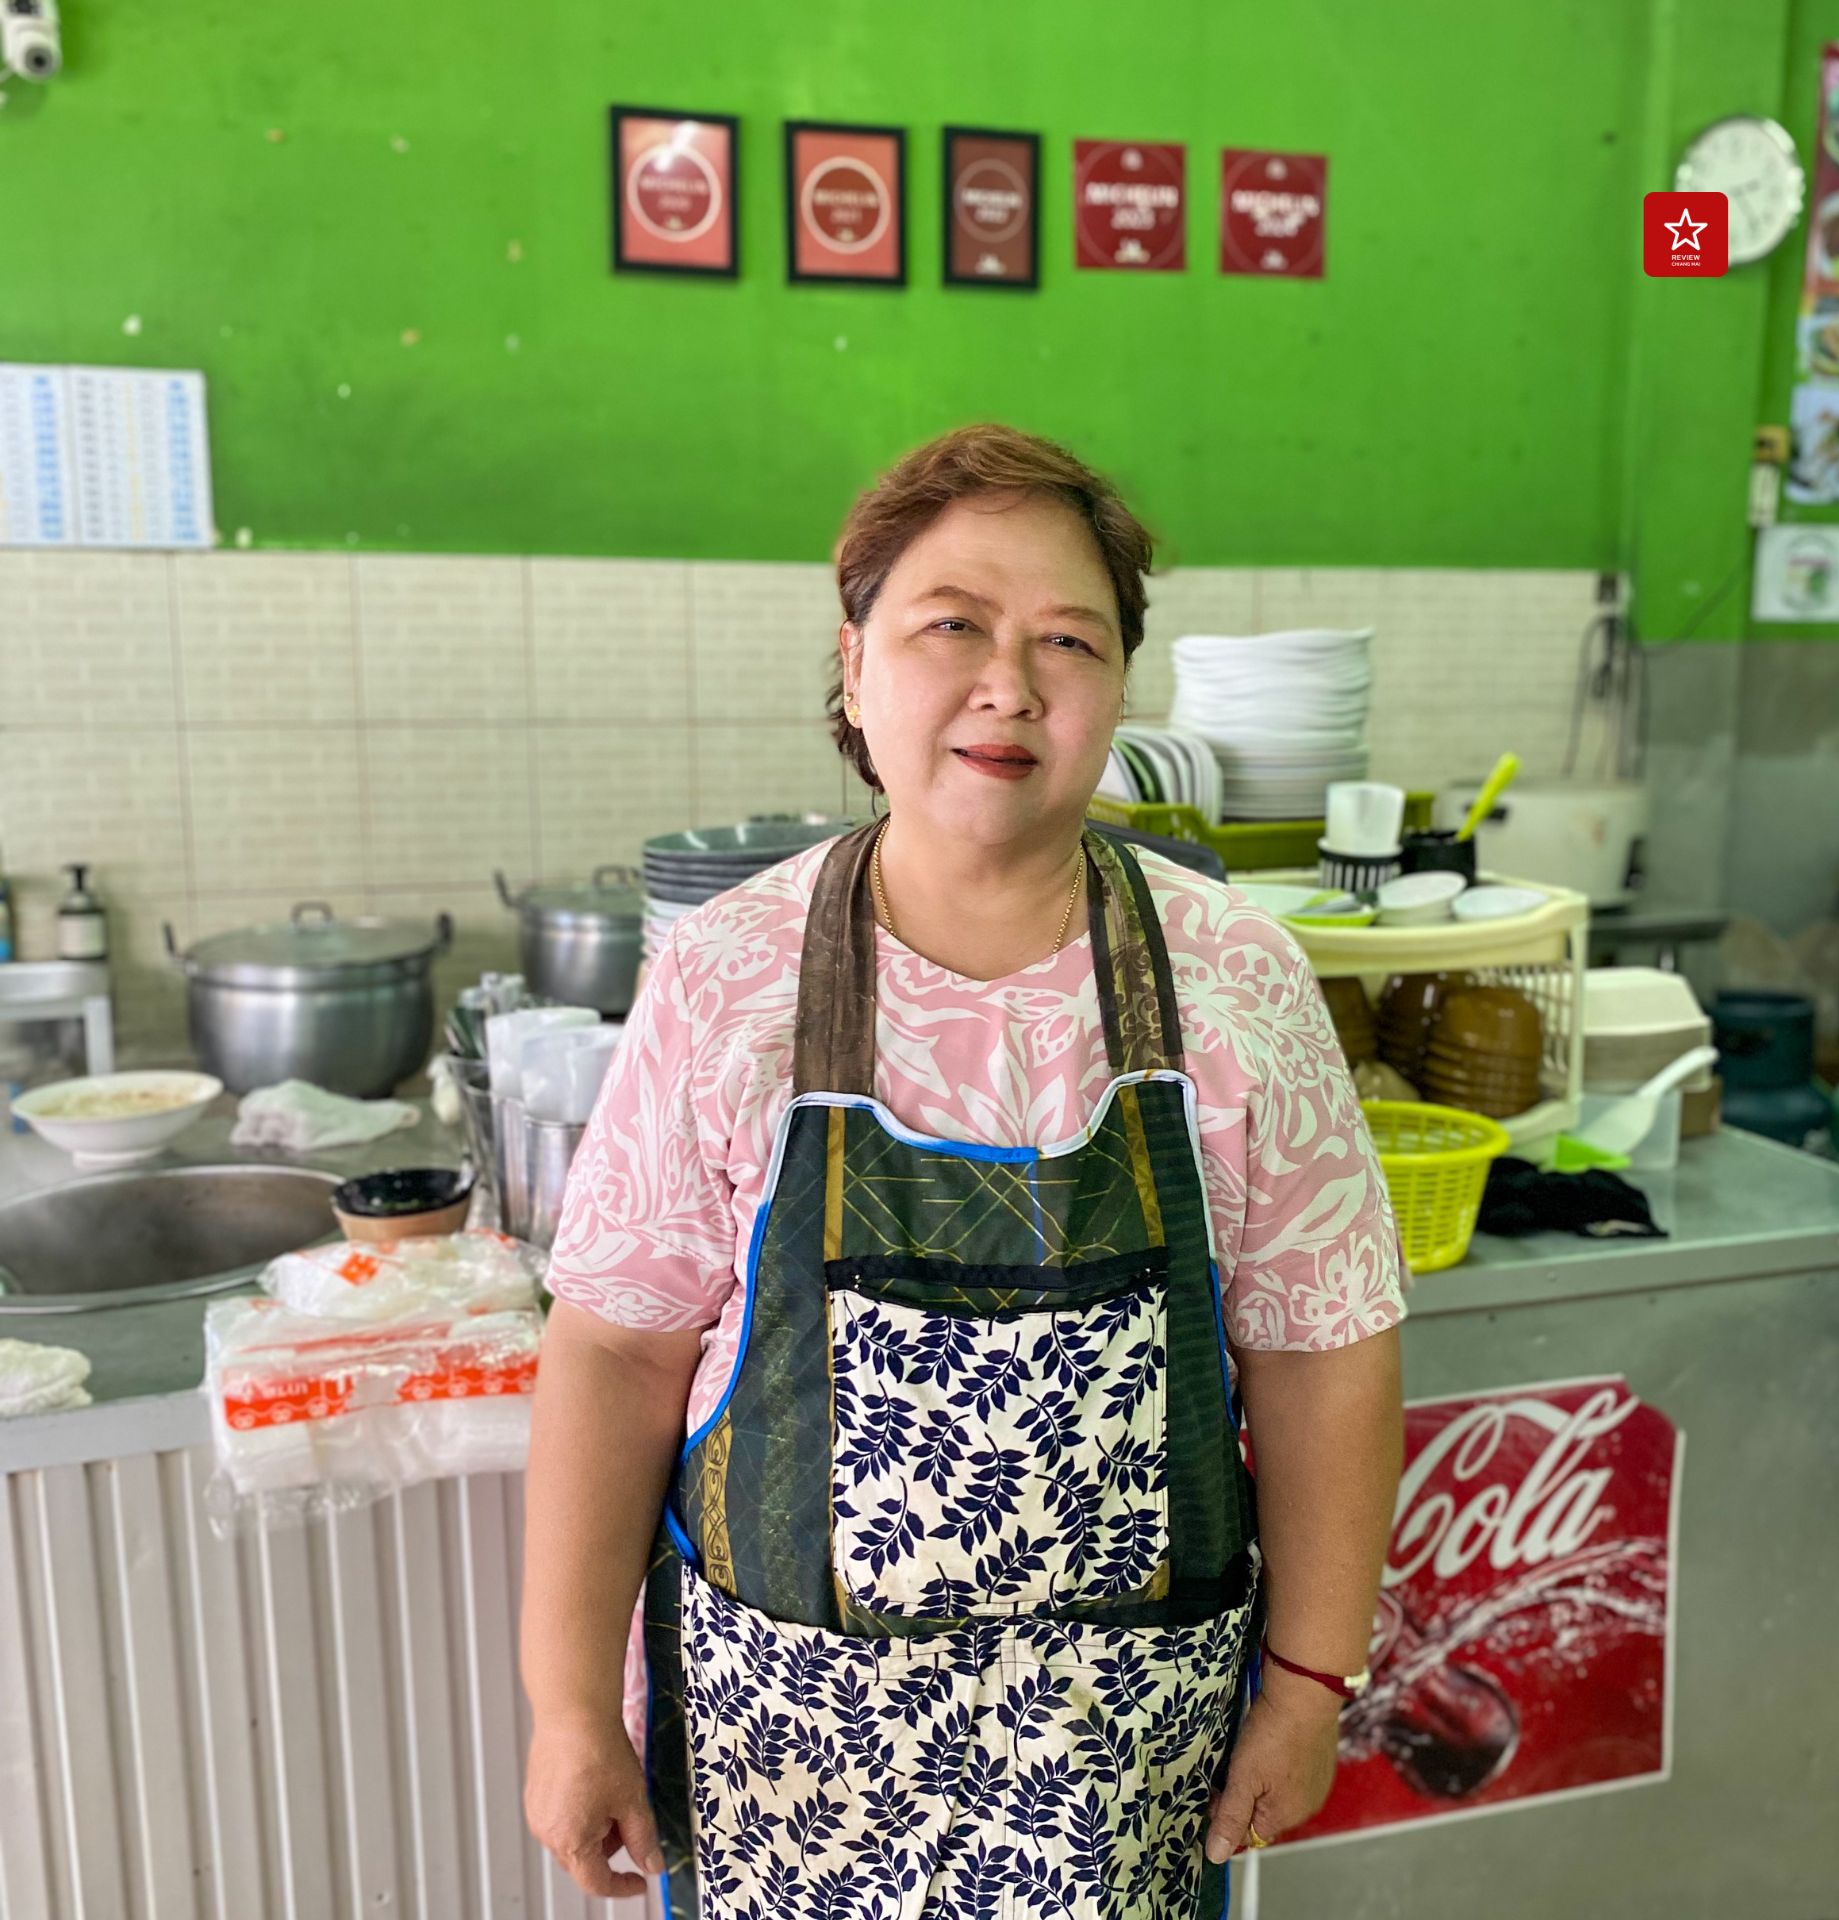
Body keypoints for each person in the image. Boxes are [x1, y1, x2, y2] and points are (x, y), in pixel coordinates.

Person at [521, 423, 1406, 1916]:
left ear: (1118, 691)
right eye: (953, 626)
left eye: (1070, 638)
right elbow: (612, 1351)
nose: (1010, 682)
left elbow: (1324, 1354)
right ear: (855, 666)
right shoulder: (727, 977)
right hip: (781, 1764)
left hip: (1115, 1774)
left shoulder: (1236, 979)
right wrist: (564, 1709)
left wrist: (1314, 1677)